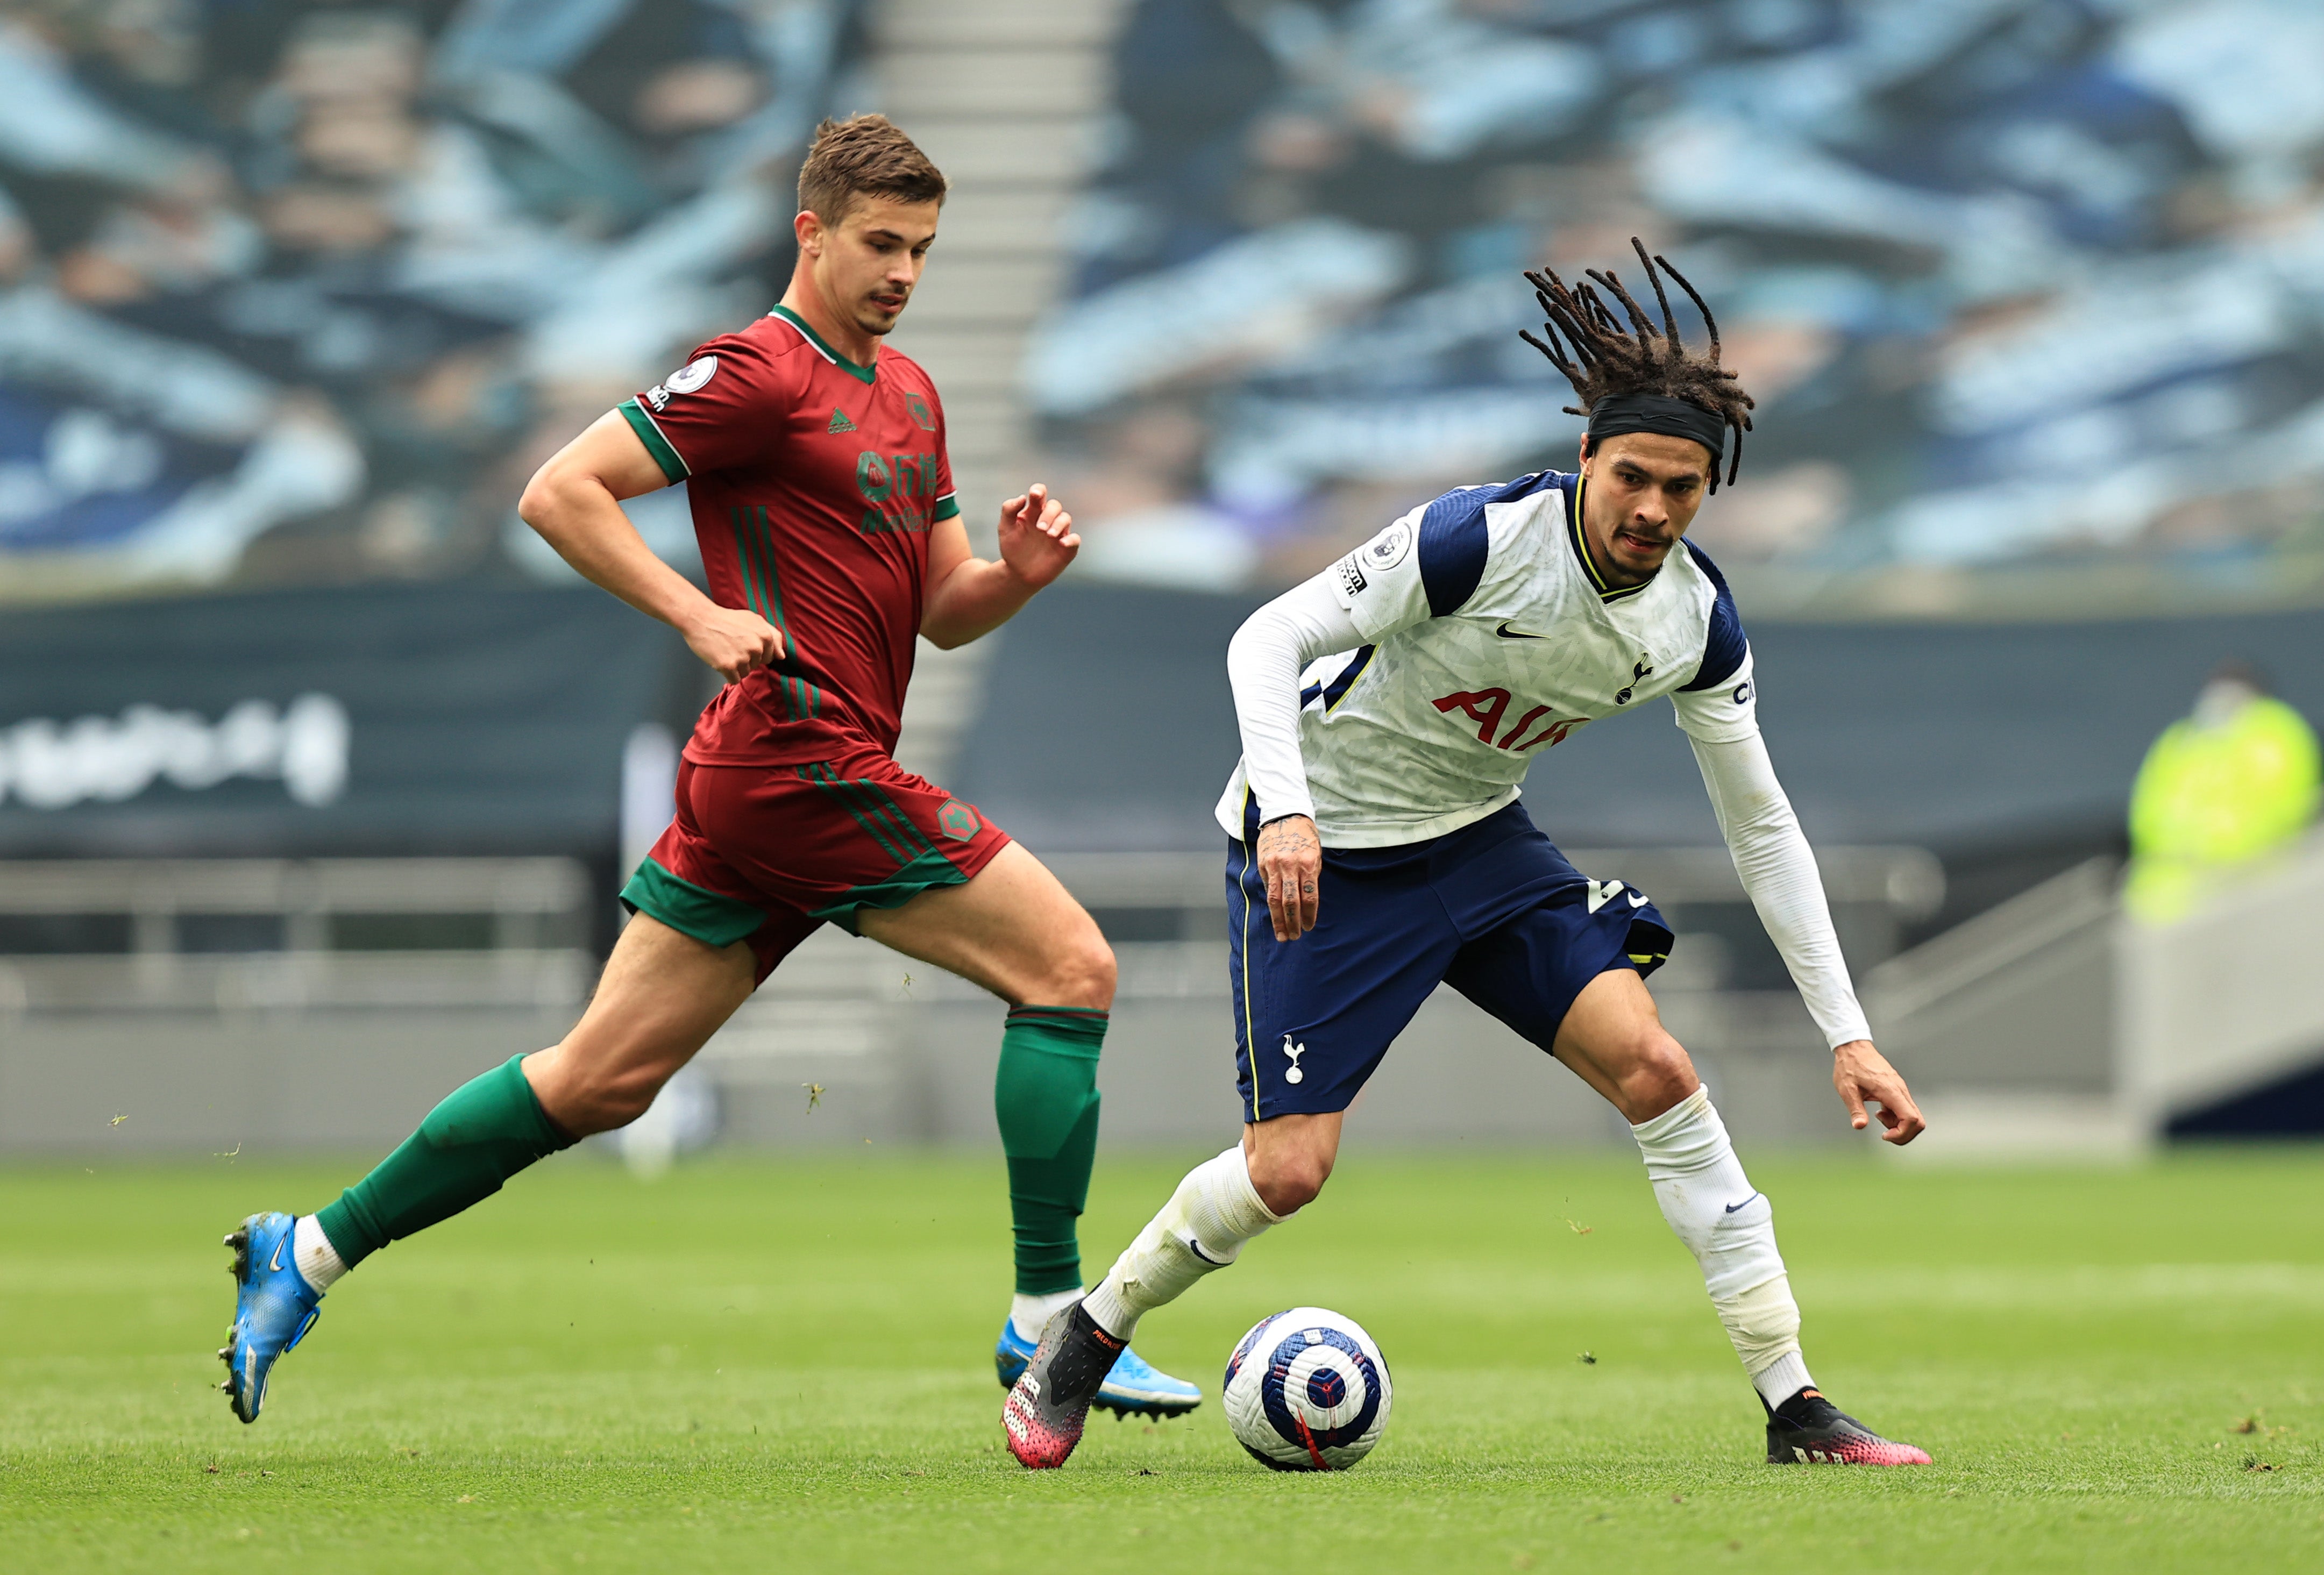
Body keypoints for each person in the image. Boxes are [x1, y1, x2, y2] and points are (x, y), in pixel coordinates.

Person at [217, 115, 1198, 1426]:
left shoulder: (910, 395)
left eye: (922, 249)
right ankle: (1045, 1328)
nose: (904, 271)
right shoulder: (756, 373)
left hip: (789, 773)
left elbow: (943, 607)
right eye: (880, 243)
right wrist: (694, 615)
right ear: (811, 233)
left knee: (597, 1081)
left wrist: (1013, 577)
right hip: (798, 757)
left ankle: (309, 1248)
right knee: (1069, 969)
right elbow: (559, 490)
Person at [1005, 245, 1930, 1469]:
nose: (1653, 509)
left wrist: (1846, 1030)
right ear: (1587, 460)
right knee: (1288, 1173)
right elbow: (1265, 635)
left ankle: (1794, 1402)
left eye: (1684, 488)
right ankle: (1089, 1334)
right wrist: (1283, 807)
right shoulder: (1477, 539)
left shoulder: (1695, 621)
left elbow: (1760, 824)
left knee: (1657, 1068)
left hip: (1482, 849)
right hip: (1324, 853)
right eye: (1634, 477)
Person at [2124, 661, 2320, 923]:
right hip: (2232, 891)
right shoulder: (2277, 730)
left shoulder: (2179, 740)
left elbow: (2145, 816)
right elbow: (2291, 808)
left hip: (2174, 897)